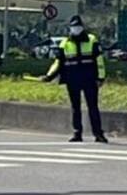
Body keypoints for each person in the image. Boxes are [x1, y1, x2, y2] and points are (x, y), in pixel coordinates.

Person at [42, 15, 108, 143]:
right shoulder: (65, 43)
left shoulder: (91, 40)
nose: (76, 29)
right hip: (73, 80)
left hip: (89, 79)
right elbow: (58, 63)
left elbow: (99, 61)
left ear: (82, 27)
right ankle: (77, 133)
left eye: (78, 26)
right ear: (70, 28)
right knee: (75, 107)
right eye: (74, 27)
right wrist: (49, 76)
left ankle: (98, 134)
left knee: (93, 107)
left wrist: (101, 77)